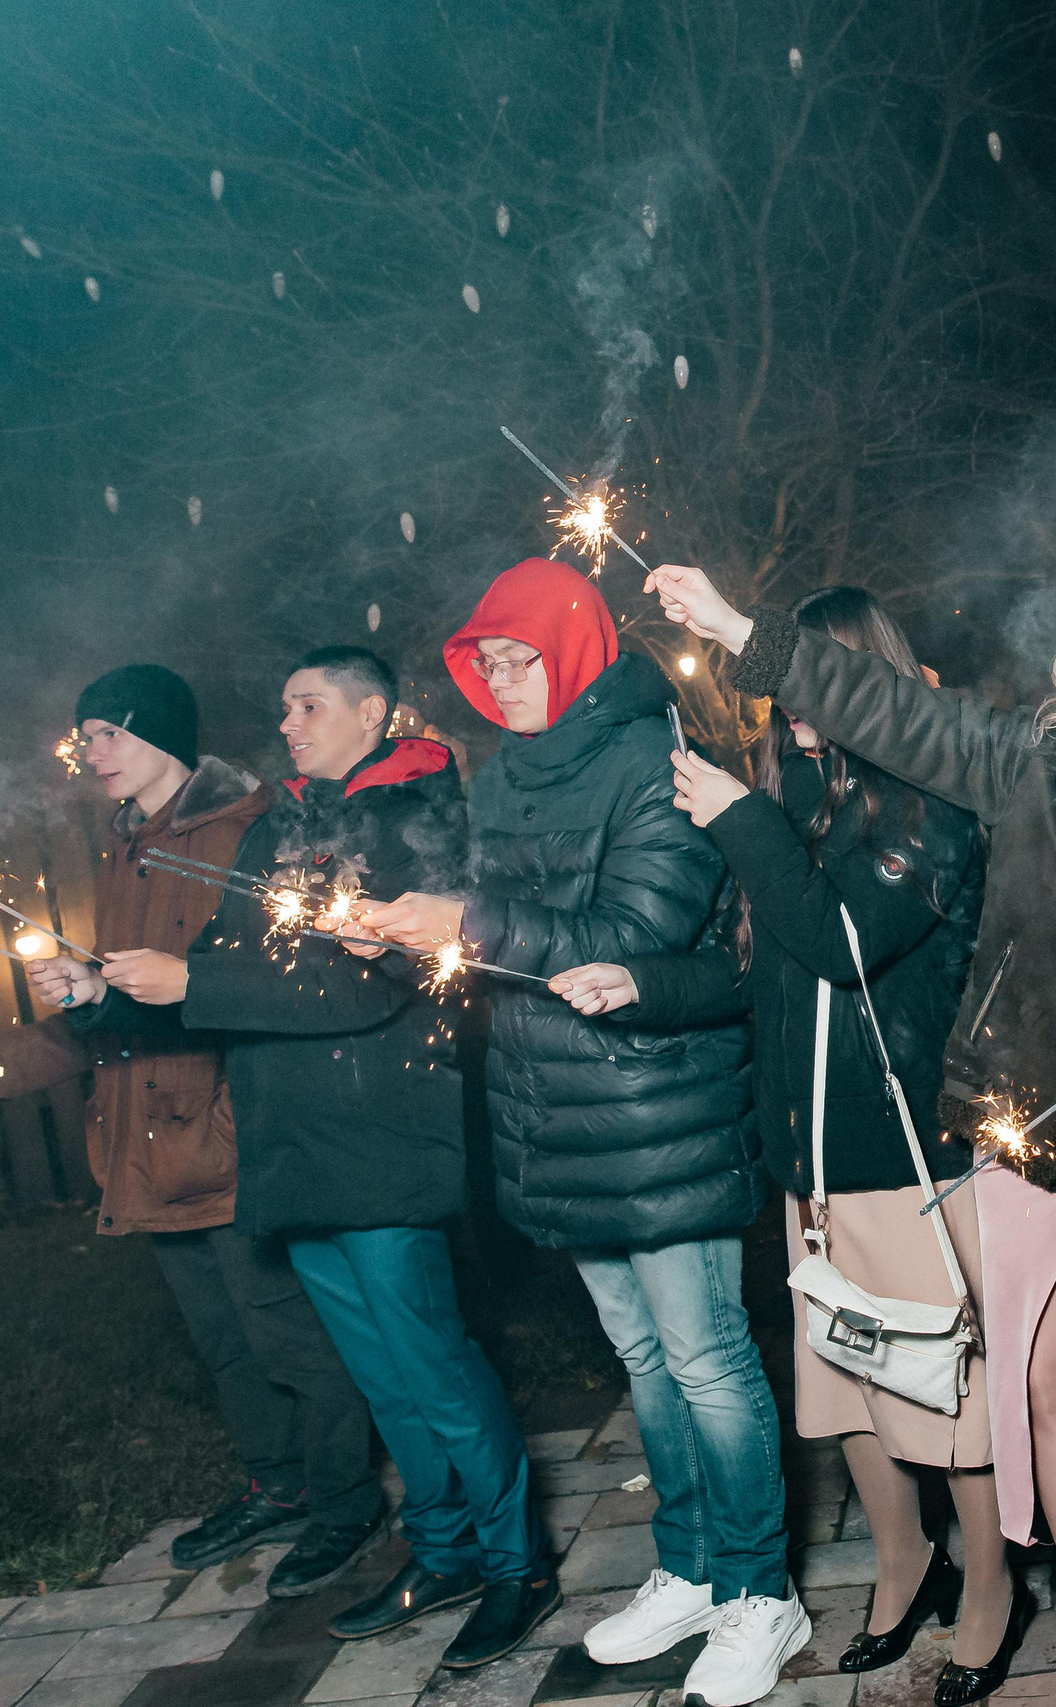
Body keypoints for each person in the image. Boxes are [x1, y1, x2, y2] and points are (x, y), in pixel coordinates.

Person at [650, 562, 1056, 1707]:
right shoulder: (1023, 767)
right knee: (1046, 1394)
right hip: (1020, 1137)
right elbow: (893, 707)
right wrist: (741, 625)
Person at [30, 645, 558, 1670]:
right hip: (290, 1144)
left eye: (309, 705)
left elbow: (368, 989)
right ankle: (441, 1548)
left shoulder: (418, 817)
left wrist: (189, 983)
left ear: (374, 713)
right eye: (283, 706)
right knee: (381, 1375)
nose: (287, 722)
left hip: (380, 1137)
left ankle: (517, 1563)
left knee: (434, 1365)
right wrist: (105, 993)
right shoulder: (278, 824)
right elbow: (231, 964)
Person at [552, 587, 1023, 1705]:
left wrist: (737, 819)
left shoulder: (929, 804)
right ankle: (905, 1564)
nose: (797, 703)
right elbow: (751, 965)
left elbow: (840, 943)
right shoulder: (791, 796)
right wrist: (646, 983)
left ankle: (997, 1585)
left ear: (870, 672)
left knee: (948, 1396)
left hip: (908, 1158)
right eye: (788, 679)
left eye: (823, 671)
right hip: (804, 1164)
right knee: (847, 1395)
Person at [356, 559, 798, 1707]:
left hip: (657, 1104)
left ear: (578, 647)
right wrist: (411, 929)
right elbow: (500, 934)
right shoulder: (501, 780)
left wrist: (473, 917)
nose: (502, 681)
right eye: (486, 663)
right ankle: (694, 1566)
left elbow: (636, 928)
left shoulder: (659, 762)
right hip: (552, 1109)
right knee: (644, 1359)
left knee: (707, 1358)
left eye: (520, 657)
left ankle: (762, 1593)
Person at [0, 664, 382, 1597]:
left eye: (105, 734)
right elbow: (107, 1005)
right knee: (226, 1342)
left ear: (159, 733)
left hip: (230, 1131)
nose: (90, 756)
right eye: (83, 738)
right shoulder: (125, 847)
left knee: (289, 1334)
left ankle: (344, 1501)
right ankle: (277, 1486)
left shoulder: (246, 828)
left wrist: (123, 994)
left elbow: (253, 986)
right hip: (147, 1140)